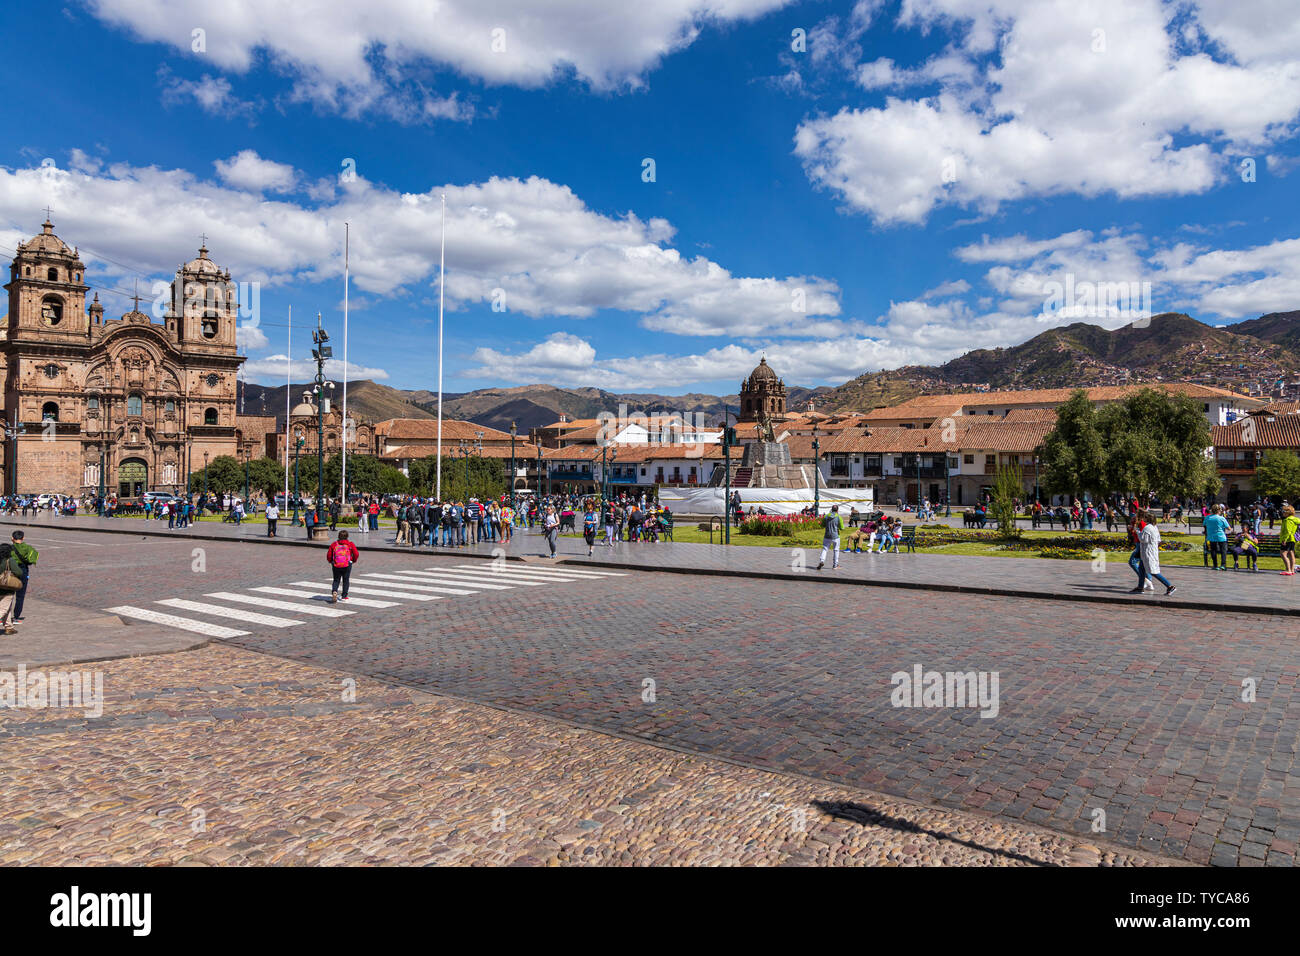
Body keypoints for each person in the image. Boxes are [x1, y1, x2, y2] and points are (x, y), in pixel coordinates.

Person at [1132, 511, 1176, 595]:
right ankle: (1140, 587)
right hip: (1150, 551)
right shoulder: (1154, 527)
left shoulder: (1147, 528)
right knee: (1141, 569)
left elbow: (1143, 539)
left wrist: (1137, 532)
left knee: (1153, 571)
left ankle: (1170, 586)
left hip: (1148, 552)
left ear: (1146, 519)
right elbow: (1159, 539)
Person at [10, 531, 37, 623]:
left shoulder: (10, 549)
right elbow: (32, 560)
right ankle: (16, 617)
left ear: (12, 538)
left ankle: (3, 616)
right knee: (20, 596)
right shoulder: (28, 548)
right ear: (23, 538)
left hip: (12, 571)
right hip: (23, 571)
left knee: (8, 595)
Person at [0, 539, 25, 635]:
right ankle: (9, 627)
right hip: (7, 587)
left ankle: (9, 627)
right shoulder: (9, 560)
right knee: (4, 609)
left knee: (7, 608)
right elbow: (19, 572)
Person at [326, 530, 359, 603]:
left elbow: (329, 555)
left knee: (336, 579)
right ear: (347, 536)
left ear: (338, 536)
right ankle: (344, 596)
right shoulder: (350, 544)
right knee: (346, 579)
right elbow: (356, 554)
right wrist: (353, 560)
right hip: (347, 564)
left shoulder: (334, 544)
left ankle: (334, 591)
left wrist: (330, 561)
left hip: (336, 564)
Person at [1204, 504, 1230, 571]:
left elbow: (1204, 525)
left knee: (1213, 550)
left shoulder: (1207, 517)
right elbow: (1228, 528)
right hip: (1221, 536)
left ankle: (1215, 565)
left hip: (1211, 536)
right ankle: (1223, 565)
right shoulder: (1221, 518)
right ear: (1219, 510)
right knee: (1223, 551)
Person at [817, 504, 842, 570]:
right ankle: (835, 565)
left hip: (827, 535)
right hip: (836, 536)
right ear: (837, 510)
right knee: (836, 550)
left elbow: (822, 525)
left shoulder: (826, 516)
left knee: (825, 549)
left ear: (831, 509)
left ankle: (822, 561)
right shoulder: (839, 517)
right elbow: (842, 527)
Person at [1281, 504, 1298, 576]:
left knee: (1283, 554)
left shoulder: (1288, 520)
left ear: (1287, 512)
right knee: (1291, 553)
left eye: (1284, 511)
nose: (1282, 512)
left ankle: (1288, 570)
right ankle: (1292, 570)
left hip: (1287, 539)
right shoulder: (1295, 520)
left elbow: (1288, 531)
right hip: (1292, 539)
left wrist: (1284, 539)